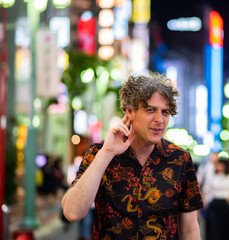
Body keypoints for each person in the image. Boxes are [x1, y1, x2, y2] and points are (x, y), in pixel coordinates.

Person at [61, 72, 203, 240]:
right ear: (130, 112)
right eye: (150, 110)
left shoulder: (180, 159)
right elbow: (72, 212)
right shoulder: (99, 153)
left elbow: (189, 230)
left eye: (165, 112)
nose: (160, 120)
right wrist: (107, 153)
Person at [203, 158, 229, 240]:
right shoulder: (212, 176)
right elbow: (207, 189)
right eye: (218, 164)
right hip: (214, 203)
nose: (219, 166)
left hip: (225, 204)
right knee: (214, 227)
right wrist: (205, 202)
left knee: (225, 228)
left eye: (221, 165)